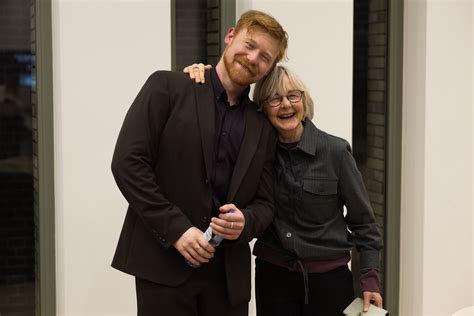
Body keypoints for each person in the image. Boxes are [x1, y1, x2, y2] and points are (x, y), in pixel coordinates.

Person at [111, 10, 288, 316]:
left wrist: (246, 221)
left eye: (265, 57)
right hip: (163, 265)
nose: (252, 58)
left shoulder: (262, 127)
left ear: (269, 68)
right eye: (249, 44)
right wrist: (177, 230)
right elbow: (128, 163)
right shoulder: (167, 87)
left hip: (227, 279)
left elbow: (266, 204)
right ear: (230, 36)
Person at [185, 64, 384, 315]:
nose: (286, 105)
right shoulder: (255, 154)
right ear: (263, 109)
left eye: (293, 96)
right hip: (273, 280)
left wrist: (370, 279)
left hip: (328, 284)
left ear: (304, 100)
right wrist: (200, 73)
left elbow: (364, 223)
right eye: (275, 99)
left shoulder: (335, 152)